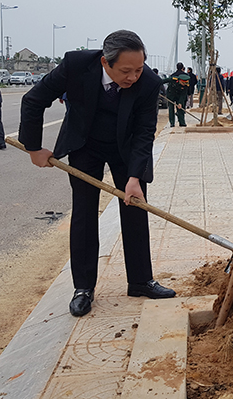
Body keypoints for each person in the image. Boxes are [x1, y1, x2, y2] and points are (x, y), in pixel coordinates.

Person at [19, 29, 176, 318]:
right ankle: (83, 288)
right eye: (126, 71)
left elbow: (144, 133)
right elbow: (33, 99)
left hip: (125, 148)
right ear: (106, 63)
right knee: (84, 212)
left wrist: (134, 177)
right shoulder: (76, 65)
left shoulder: (150, 83)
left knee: (135, 207)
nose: (133, 77)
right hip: (84, 145)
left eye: (139, 69)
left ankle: (141, 280)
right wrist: (33, 147)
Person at [163, 62, 188, 127]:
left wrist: (180, 102)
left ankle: (182, 122)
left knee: (180, 108)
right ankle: (172, 123)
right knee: (171, 108)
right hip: (171, 94)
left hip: (179, 95)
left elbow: (183, 94)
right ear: (180, 80)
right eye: (183, 83)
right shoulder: (173, 78)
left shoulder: (186, 82)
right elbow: (162, 81)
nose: (184, 84)